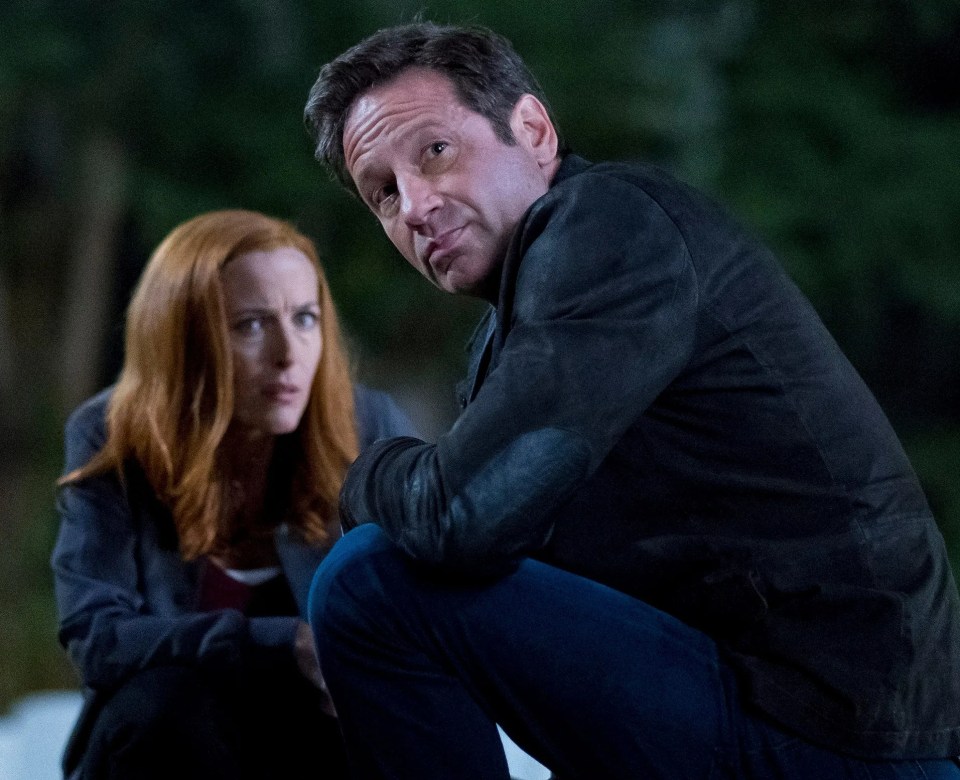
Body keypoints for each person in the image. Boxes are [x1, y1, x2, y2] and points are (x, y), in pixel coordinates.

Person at [300, 21, 960, 780]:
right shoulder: (508, 335)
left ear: (534, 130)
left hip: (821, 733)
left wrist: (363, 473)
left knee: (371, 579)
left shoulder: (609, 225)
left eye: (435, 153)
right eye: (383, 193)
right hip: (764, 713)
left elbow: (463, 517)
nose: (414, 206)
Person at [51, 209, 416, 780]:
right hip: (173, 745)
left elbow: (420, 607)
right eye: (249, 325)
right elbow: (97, 638)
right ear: (183, 339)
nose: (288, 355)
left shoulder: (366, 426)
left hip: (319, 739)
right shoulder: (112, 436)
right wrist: (279, 643)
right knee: (166, 700)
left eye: (304, 318)